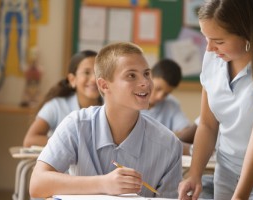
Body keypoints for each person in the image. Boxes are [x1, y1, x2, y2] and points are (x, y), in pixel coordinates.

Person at [29, 42, 183, 199]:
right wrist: (104, 184)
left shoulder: (169, 145)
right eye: (131, 75)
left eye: (147, 74)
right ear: (104, 85)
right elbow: (37, 184)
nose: (145, 82)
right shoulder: (76, 125)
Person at [178, 0, 253, 199]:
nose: (210, 48)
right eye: (206, 38)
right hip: (227, 170)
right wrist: (194, 174)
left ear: (248, 34)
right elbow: (207, 124)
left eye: (219, 41)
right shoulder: (213, 57)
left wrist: (239, 196)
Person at [23, 50, 102, 147]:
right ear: (72, 79)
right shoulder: (56, 106)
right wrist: (71, 145)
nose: (94, 79)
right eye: (86, 72)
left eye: (98, 72)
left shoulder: (109, 108)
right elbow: (30, 140)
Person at [141, 58, 196, 155]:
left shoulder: (171, 104)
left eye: (166, 93)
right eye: (158, 89)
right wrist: (170, 135)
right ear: (148, 76)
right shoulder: (130, 102)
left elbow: (186, 132)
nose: (160, 97)